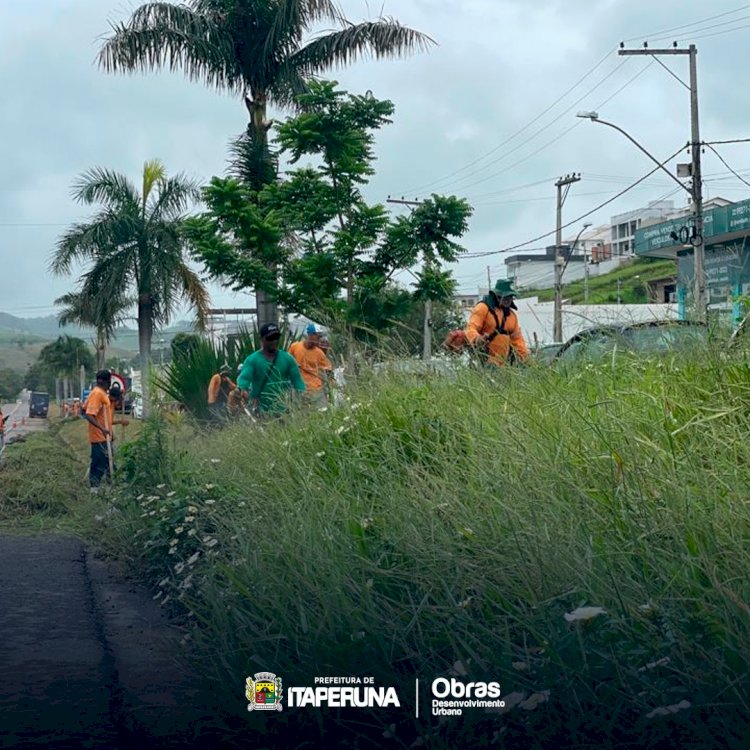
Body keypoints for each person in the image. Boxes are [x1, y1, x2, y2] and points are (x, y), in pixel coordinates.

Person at [237, 323, 305, 417]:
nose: (274, 341)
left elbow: (297, 380)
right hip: (260, 409)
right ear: (261, 339)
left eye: (276, 337)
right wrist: (242, 388)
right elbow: (244, 378)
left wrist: (302, 395)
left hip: (283, 409)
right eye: (270, 338)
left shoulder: (287, 358)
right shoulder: (252, 360)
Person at [465, 279, 529, 366]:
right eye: (505, 296)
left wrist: (525, 359)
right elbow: (471, 328)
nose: (508, 300)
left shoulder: (512, 316)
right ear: (496, 295)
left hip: (504, 364)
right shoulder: (483, 308)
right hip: (484, 361)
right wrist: (477, 339)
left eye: (510, 297)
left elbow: (518, 340)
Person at [289, 324, 334, 408]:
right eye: (318, 336)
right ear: (311, 335)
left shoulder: (319, 353)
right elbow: (287, 362)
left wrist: (331, 386)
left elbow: (328, 370)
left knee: (321, 412)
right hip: (299, 388)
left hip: (316, 389)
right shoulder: (295, 347)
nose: (319, 339)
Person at [83, 370, 113, 490]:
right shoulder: (97, 394)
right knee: (98, 465)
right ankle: (94, 490)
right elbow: (89, 414)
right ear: (108, 381)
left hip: (104, 437)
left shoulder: (102, 393)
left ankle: (108, 490)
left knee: (107, 464)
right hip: (99, 437)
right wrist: (102, 429)